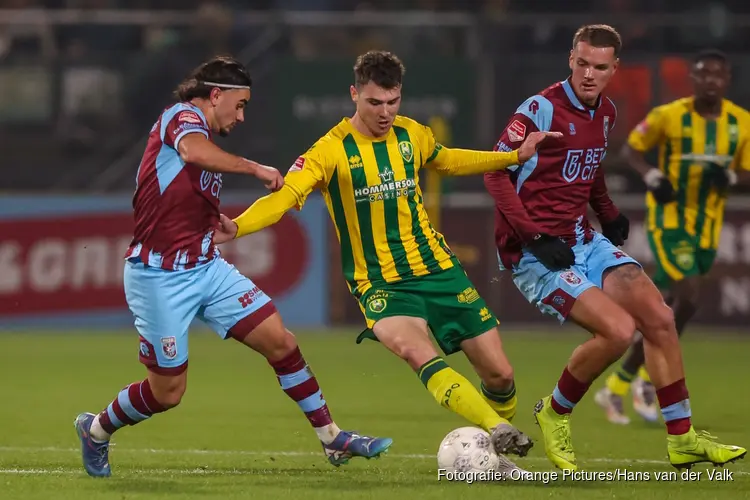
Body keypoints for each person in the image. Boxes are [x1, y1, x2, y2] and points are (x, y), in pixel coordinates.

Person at [213, 50, 561, 468]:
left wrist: (512, 157)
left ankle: (492, 446)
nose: (385, 112)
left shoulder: (412, 133)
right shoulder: (329, 151)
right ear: (354, 94)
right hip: (379, 284)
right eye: (374, 103)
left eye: (393, 102)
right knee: (419, 353)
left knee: (501, 375)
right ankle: (495, 429)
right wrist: (238, 226)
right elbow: (285, 197)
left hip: (438, 268)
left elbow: (447, 160)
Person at [73, 56, 392, 478]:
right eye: (239, 106)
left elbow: (181, 189)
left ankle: (332, 438)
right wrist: (254, 167)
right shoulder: (180, 118)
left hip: (206, 267)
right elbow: (193, 152)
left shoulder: (203, 133)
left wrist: (212, 222)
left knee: (281, 342)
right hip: (159, 277)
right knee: (168, 393)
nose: (241, 116)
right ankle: (96, 431)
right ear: (215, 95)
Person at [483, 25, 746, 471]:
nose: (589, 74)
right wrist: (534, 236)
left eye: (599, 67)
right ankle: (554, 412)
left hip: (584, 239)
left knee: (661, 319)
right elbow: (495, 174)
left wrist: (606, 211)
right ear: (570, 58)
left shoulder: (605, 112)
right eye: (582, 63)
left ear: (614, 69)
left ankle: (682, 440)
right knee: (619, 332)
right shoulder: (539, 109)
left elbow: (592, 165)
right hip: (534, 253)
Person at [596, 49, 750, 425]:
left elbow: (747, 171)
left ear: (727, 81)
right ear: (693, 79)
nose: (710, 80)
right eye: (703, 74)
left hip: (708, 227)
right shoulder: (669, 115)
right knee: (691, 295)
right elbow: (632, 150)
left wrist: (731, 178)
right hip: (670, 222)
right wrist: (650, 176)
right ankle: (648, 379)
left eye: (717, 75)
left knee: (665, 311)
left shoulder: (741, 123)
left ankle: (617, 384)